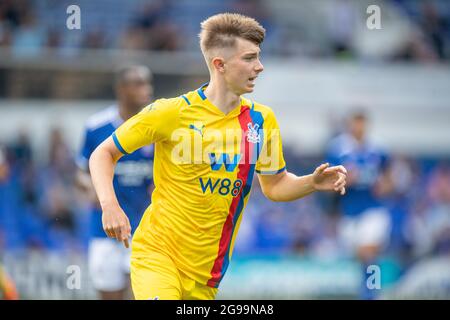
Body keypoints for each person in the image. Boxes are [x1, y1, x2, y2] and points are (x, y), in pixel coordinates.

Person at [89, 13, 347, 300]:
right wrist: (109, 205)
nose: (259, 67)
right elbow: (103, 153)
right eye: (249, 58)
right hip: (157, 256)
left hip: (206, 277)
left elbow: (275, 185)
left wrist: (312, 182)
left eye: (258, 57)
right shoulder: (170, 112)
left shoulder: (262, 121)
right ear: (219, 64)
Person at [76, 65, 154, 300]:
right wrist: (94, 191)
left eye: (148, 83)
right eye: (139, 83)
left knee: (141, 293)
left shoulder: (157, 126)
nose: (147, 89)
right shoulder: (97, 127)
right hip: (105, 232)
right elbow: (81, 174)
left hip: (145, 230)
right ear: (121, 89)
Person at [326, 110, 392, 299]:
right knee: (360, 256)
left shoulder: (378, 148)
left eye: (362, 123)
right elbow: (329, 180)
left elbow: (389, 177)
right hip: (349, 211)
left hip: (373, 208)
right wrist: (345, 180)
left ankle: (372, 293)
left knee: (368, 252)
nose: (359, 127)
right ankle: (368, 289)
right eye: (356, 123)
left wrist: (385, 186)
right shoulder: (338, 148)